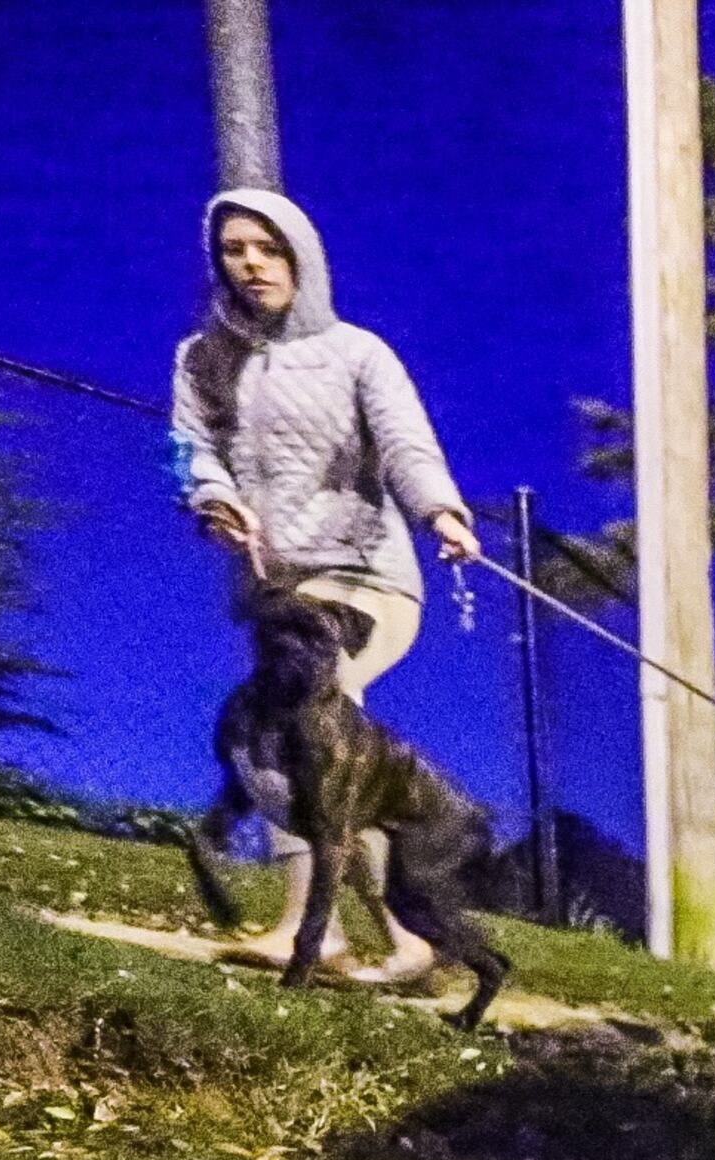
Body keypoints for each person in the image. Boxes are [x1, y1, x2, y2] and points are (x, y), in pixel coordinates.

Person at [169, 188, 480, 980]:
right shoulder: (201, 358)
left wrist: (440, 511)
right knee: (291, 744)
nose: (251, 263)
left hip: (368, 579)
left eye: (268, 248)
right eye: (235, 249)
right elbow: (187, 447)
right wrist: (211, 495)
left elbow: (408, 445)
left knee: (316, 725)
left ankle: (325, 933)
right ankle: (404, 942)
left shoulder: (357, 353)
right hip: (279, 584)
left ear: (302, 256)